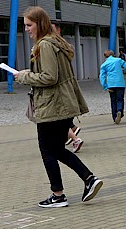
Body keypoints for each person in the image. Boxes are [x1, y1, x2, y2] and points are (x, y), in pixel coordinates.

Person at [14, 6, 103, 208]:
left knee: (47, 151)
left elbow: (49, 77)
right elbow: (52, 72)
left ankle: (58, 195)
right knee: (57, 150)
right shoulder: (55, 42)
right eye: (25, 25)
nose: (26, 29)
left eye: (29, 25)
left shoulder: (44, 45)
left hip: (52, 106)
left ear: (40, 24)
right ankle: (89, 179)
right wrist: (29, 71)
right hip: (63, 104)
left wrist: (23, 77)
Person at [50, 20, 83, 151]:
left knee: (57, 122)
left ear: (58, 30)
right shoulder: (60, 46)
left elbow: (50, 76)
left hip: (59, 92)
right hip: (65, 91)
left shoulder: (54, 47)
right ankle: (72, 132)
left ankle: (73, 137)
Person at [100, 49, 126, 124]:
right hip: (120, 83)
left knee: (113, 100)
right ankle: (119, 111)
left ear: (105, 56)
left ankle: (115, 117)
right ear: (113, 54)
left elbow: (102, 76)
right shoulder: (118, 60)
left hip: (111, 84)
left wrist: (105, 86)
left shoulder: (104, 64)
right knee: (120, 99)